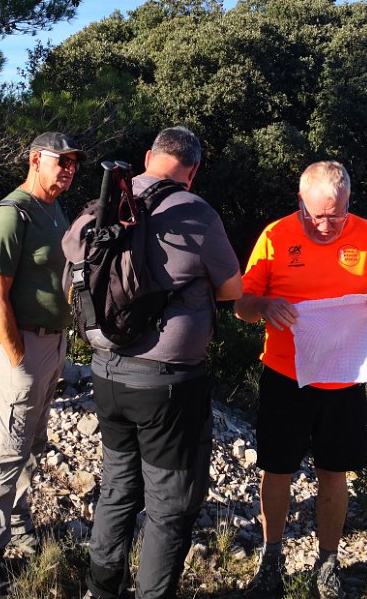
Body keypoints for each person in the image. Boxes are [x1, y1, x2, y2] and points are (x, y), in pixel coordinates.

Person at [77, 126, 243, 599]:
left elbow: (74, 265)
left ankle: (102, 588)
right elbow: (233, 290)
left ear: (150, 156)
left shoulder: (101, 206)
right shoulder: (196, 211)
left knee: (117, 486)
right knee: (169, 506)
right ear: (194, 170)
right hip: (167, 385)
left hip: (106, 372)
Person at [234, 160, 367, 599]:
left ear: (349, 203)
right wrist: (265, 306)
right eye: (317, 216)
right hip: (285, 375)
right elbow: (242, 305)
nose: (327, 226)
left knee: (334, 473)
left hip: (344, 378)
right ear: (300, 202)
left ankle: (328, 564)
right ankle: (271, 560)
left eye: (338, 215)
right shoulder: (275, 236)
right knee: (277, 470)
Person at [0, 131, 86, 591]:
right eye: (61, 160)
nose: (69, 169)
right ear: (35, 160)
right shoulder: (13, 213)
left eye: (74, 163)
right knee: (7, 450)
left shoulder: (55, 210)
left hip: (53, 343)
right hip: (25, 346)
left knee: (32, 442)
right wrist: (16, 359)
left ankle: (16, 524)